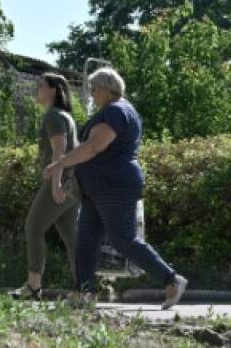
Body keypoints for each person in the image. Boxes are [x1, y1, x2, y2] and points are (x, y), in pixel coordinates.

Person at [42, 67, 187, 309]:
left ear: (110, 89)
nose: (92, 95)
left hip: (113, 185)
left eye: (95, 89)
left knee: (123, 238)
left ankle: (171, 279)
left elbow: (94, 146)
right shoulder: (115, 110)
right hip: (98, 188)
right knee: (86, 239)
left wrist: (59, 164)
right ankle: (83, 292)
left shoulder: (116, 111)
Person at [13, 72, 81, 300]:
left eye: (40, 85)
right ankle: (84, 288)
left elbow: (59, 150)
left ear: (53, 91)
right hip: (74, 183)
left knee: (34, 227)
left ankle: (33, 287)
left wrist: (55, 182)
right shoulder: (65, 116)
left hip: (61, 181)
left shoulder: (53, 116)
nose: (36, 89)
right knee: (72, 238)